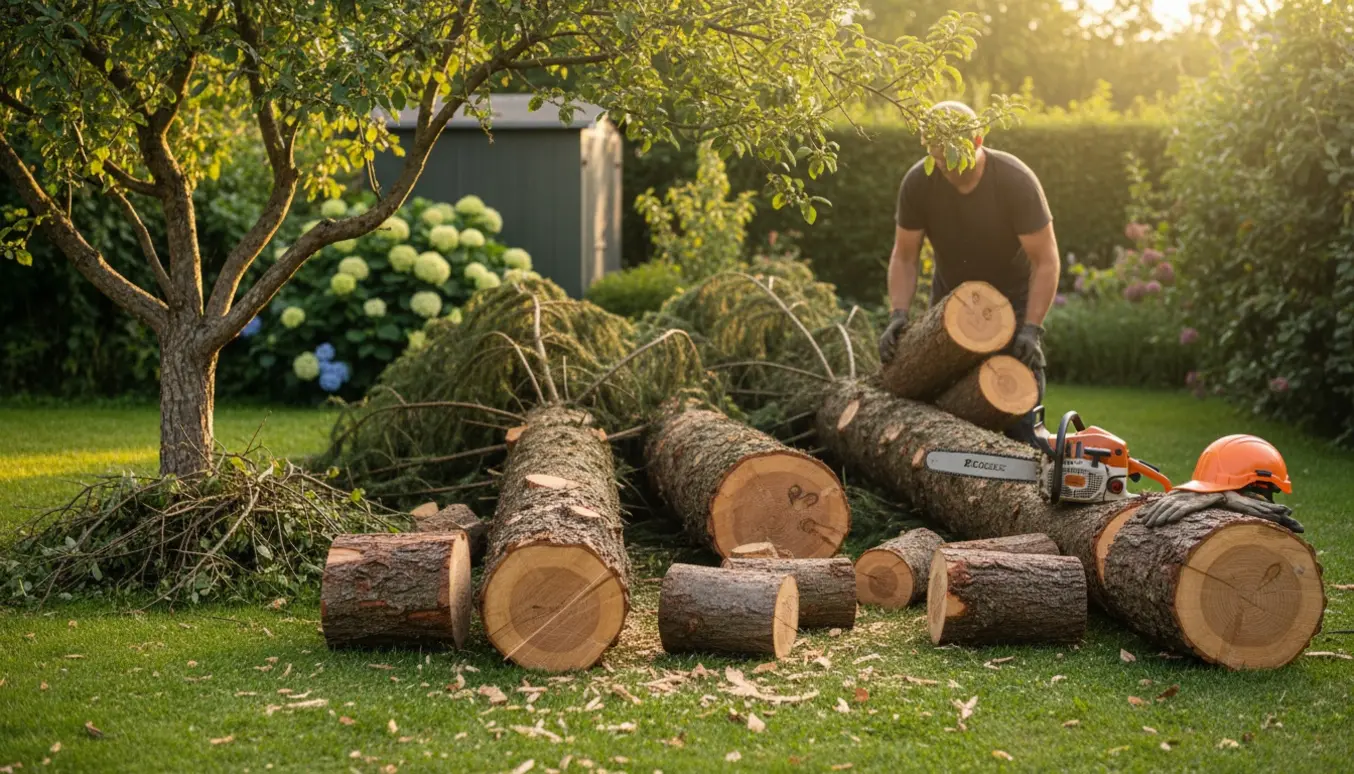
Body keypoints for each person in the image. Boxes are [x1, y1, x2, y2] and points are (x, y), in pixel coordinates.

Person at [878, 101, 1061, 446]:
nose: (946, 168)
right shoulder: (919, 181)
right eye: (938, 158)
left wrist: (1032, 328)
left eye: (952, 158)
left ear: (977, 141)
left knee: (1019, 423)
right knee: (943, 419)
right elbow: (904, 256)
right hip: (950, 314)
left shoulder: (1014, 180)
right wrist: (898, 314)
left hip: (1014, 310)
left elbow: (1046, 260)